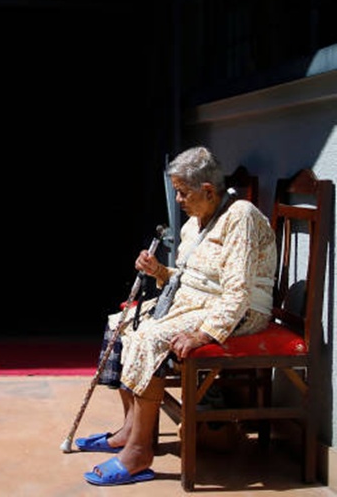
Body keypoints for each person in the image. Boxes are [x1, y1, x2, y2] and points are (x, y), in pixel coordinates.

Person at [78, 146, 277, 486]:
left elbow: (238, 292)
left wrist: (205, 334)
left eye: (183, 193)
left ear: (208, 191)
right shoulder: (195, 224)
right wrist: (158, 271)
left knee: (149, 337)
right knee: (120, 324)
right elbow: (190, 278)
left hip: (239, 312)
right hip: (196, 302)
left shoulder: (240, 216)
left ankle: (139, 452)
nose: (179, 200)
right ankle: (130, 429)